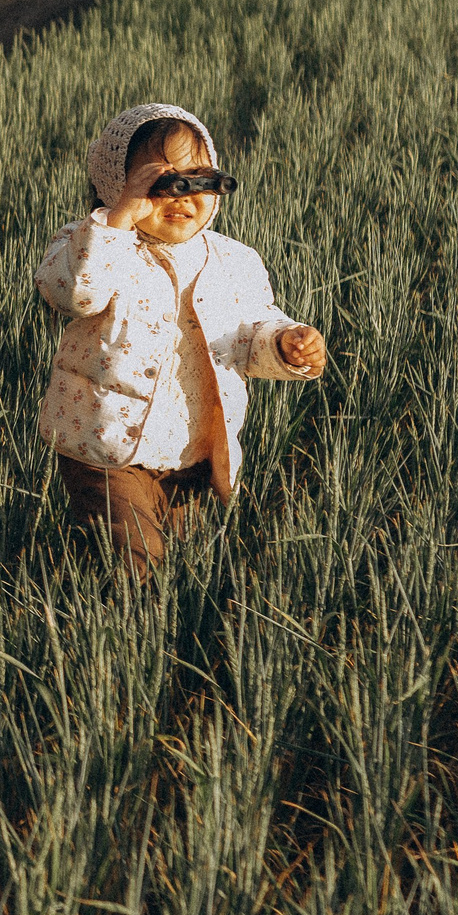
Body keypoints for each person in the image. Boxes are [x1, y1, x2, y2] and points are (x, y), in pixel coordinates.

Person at [33, 102, 326, 574]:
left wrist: (284, 343)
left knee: (180, 563)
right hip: (104, 448)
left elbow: (250, 331)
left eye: (199, 180)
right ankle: (120, 634)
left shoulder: (234, 261)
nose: (182, 196)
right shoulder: (88, 244)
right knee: (135, 564)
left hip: (188, 450)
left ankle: (126, 608)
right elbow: (76, 294)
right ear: (117, 186)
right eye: (161, 184)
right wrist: (119, 218)